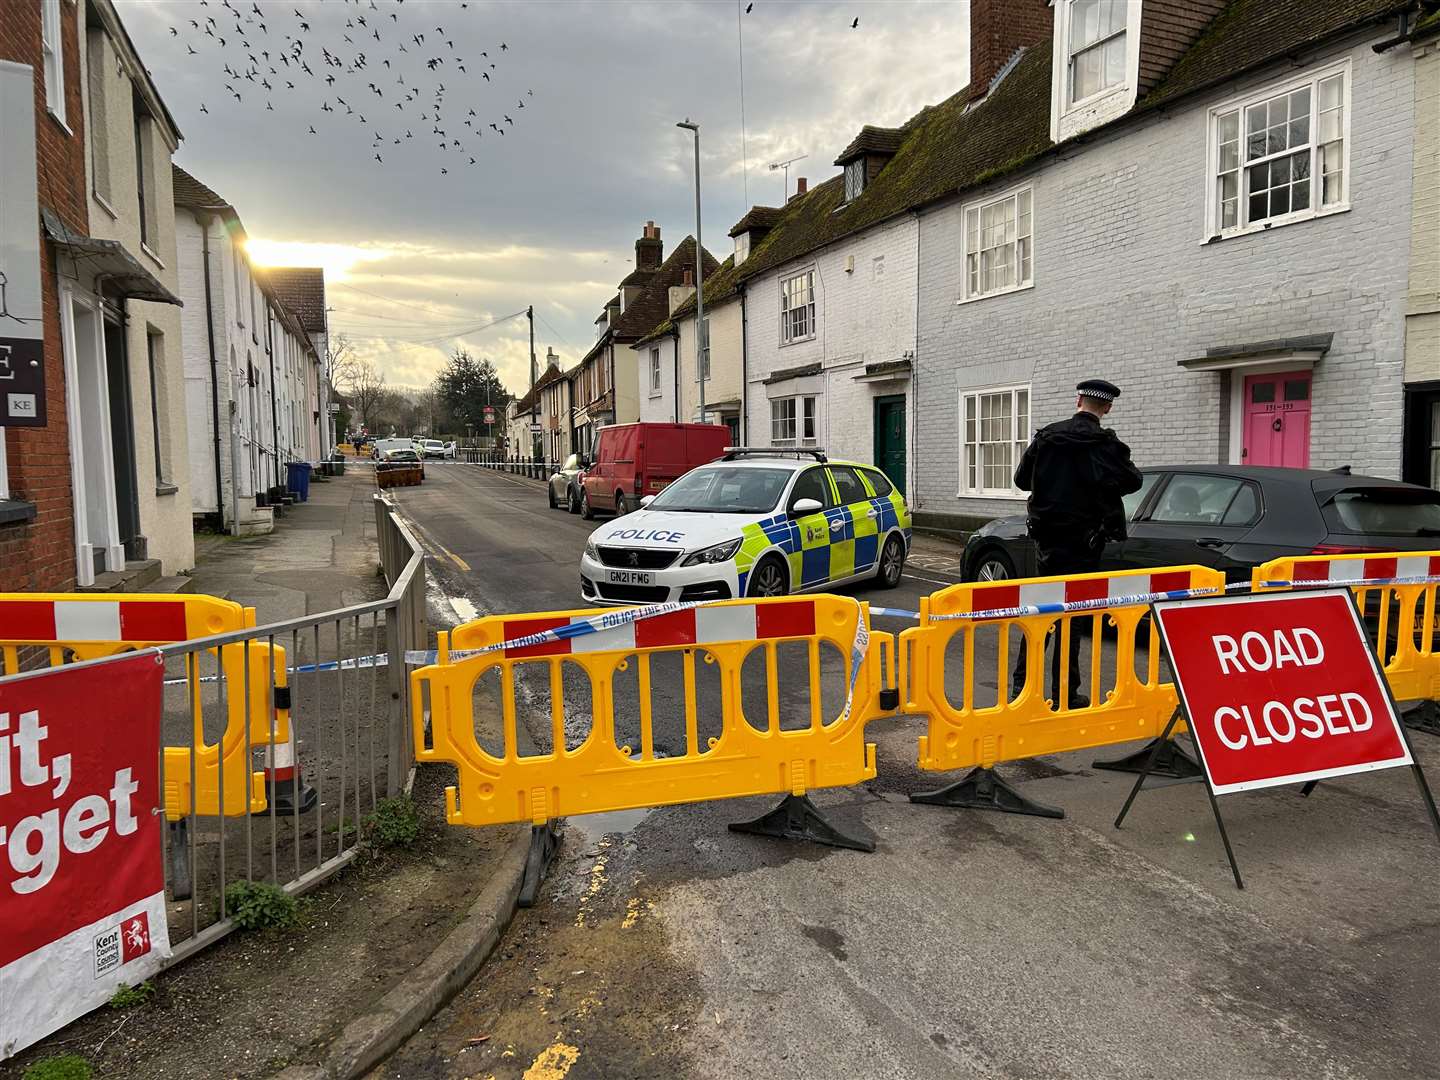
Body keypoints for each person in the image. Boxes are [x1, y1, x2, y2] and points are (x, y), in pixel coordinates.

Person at [1011, 379, 1143, 707]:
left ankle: (1021, 688)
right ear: (1107, 407)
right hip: (1085, 543)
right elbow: (1134, 480)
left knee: (1040, 611)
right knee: (1074, 616)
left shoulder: (1047, 438)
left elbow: (1020, 479)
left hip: (1047, 541)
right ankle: (1065, 692)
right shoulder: (1107, 447)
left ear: (1078, 400)